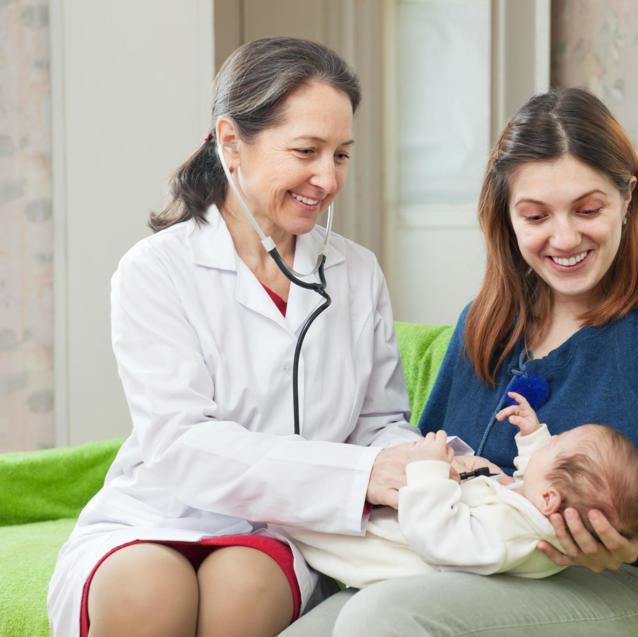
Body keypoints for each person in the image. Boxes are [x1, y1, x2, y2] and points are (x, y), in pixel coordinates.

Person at [283, 88, 638, 636]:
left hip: (617, 587)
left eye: (588, 209)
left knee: (381, 618)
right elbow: (433, 470)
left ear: (627, 198)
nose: (564, 237)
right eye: (536, 215)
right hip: (465, 569)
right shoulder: (486, 322)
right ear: (507, 215)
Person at [47, 37, 500, 637]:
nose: (327, 177)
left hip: (284, 525)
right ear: (231, 141)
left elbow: (375, 420)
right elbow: (181, 445)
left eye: (341, 154)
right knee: (145, 589)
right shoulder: (155, 269)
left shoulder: (355, 270)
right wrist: (360, 476)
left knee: (244, 586)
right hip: (155, 511)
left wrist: (412, 460)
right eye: (306, 151)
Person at [288, 393, 638, 589]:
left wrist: (429, 469)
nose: (552, 436)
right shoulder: (538, 514)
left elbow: (438, 539)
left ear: (550, 501)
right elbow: (534, 482)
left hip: (389, 548)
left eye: (555, 442)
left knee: (305, 522)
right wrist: (533, 438)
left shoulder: (511, 536)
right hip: (400, 517)